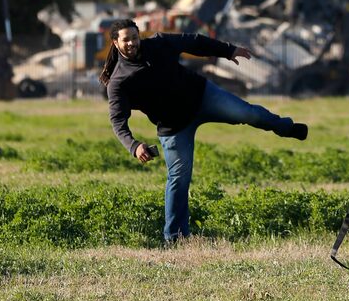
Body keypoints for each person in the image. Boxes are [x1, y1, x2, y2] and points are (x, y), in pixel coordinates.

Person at [100, 19, 308, 244]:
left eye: (134, 37)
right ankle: (175, 237)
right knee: (178, 179)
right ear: (115, 42)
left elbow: (194, 42)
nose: (132, 42)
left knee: (247, 113)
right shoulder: (119, 81)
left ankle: (285, 127)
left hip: (203, 97)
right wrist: (134, 145)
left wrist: (228, 51)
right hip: (173, 127)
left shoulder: (159, 43)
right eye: (126, 39)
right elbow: (117, 120)